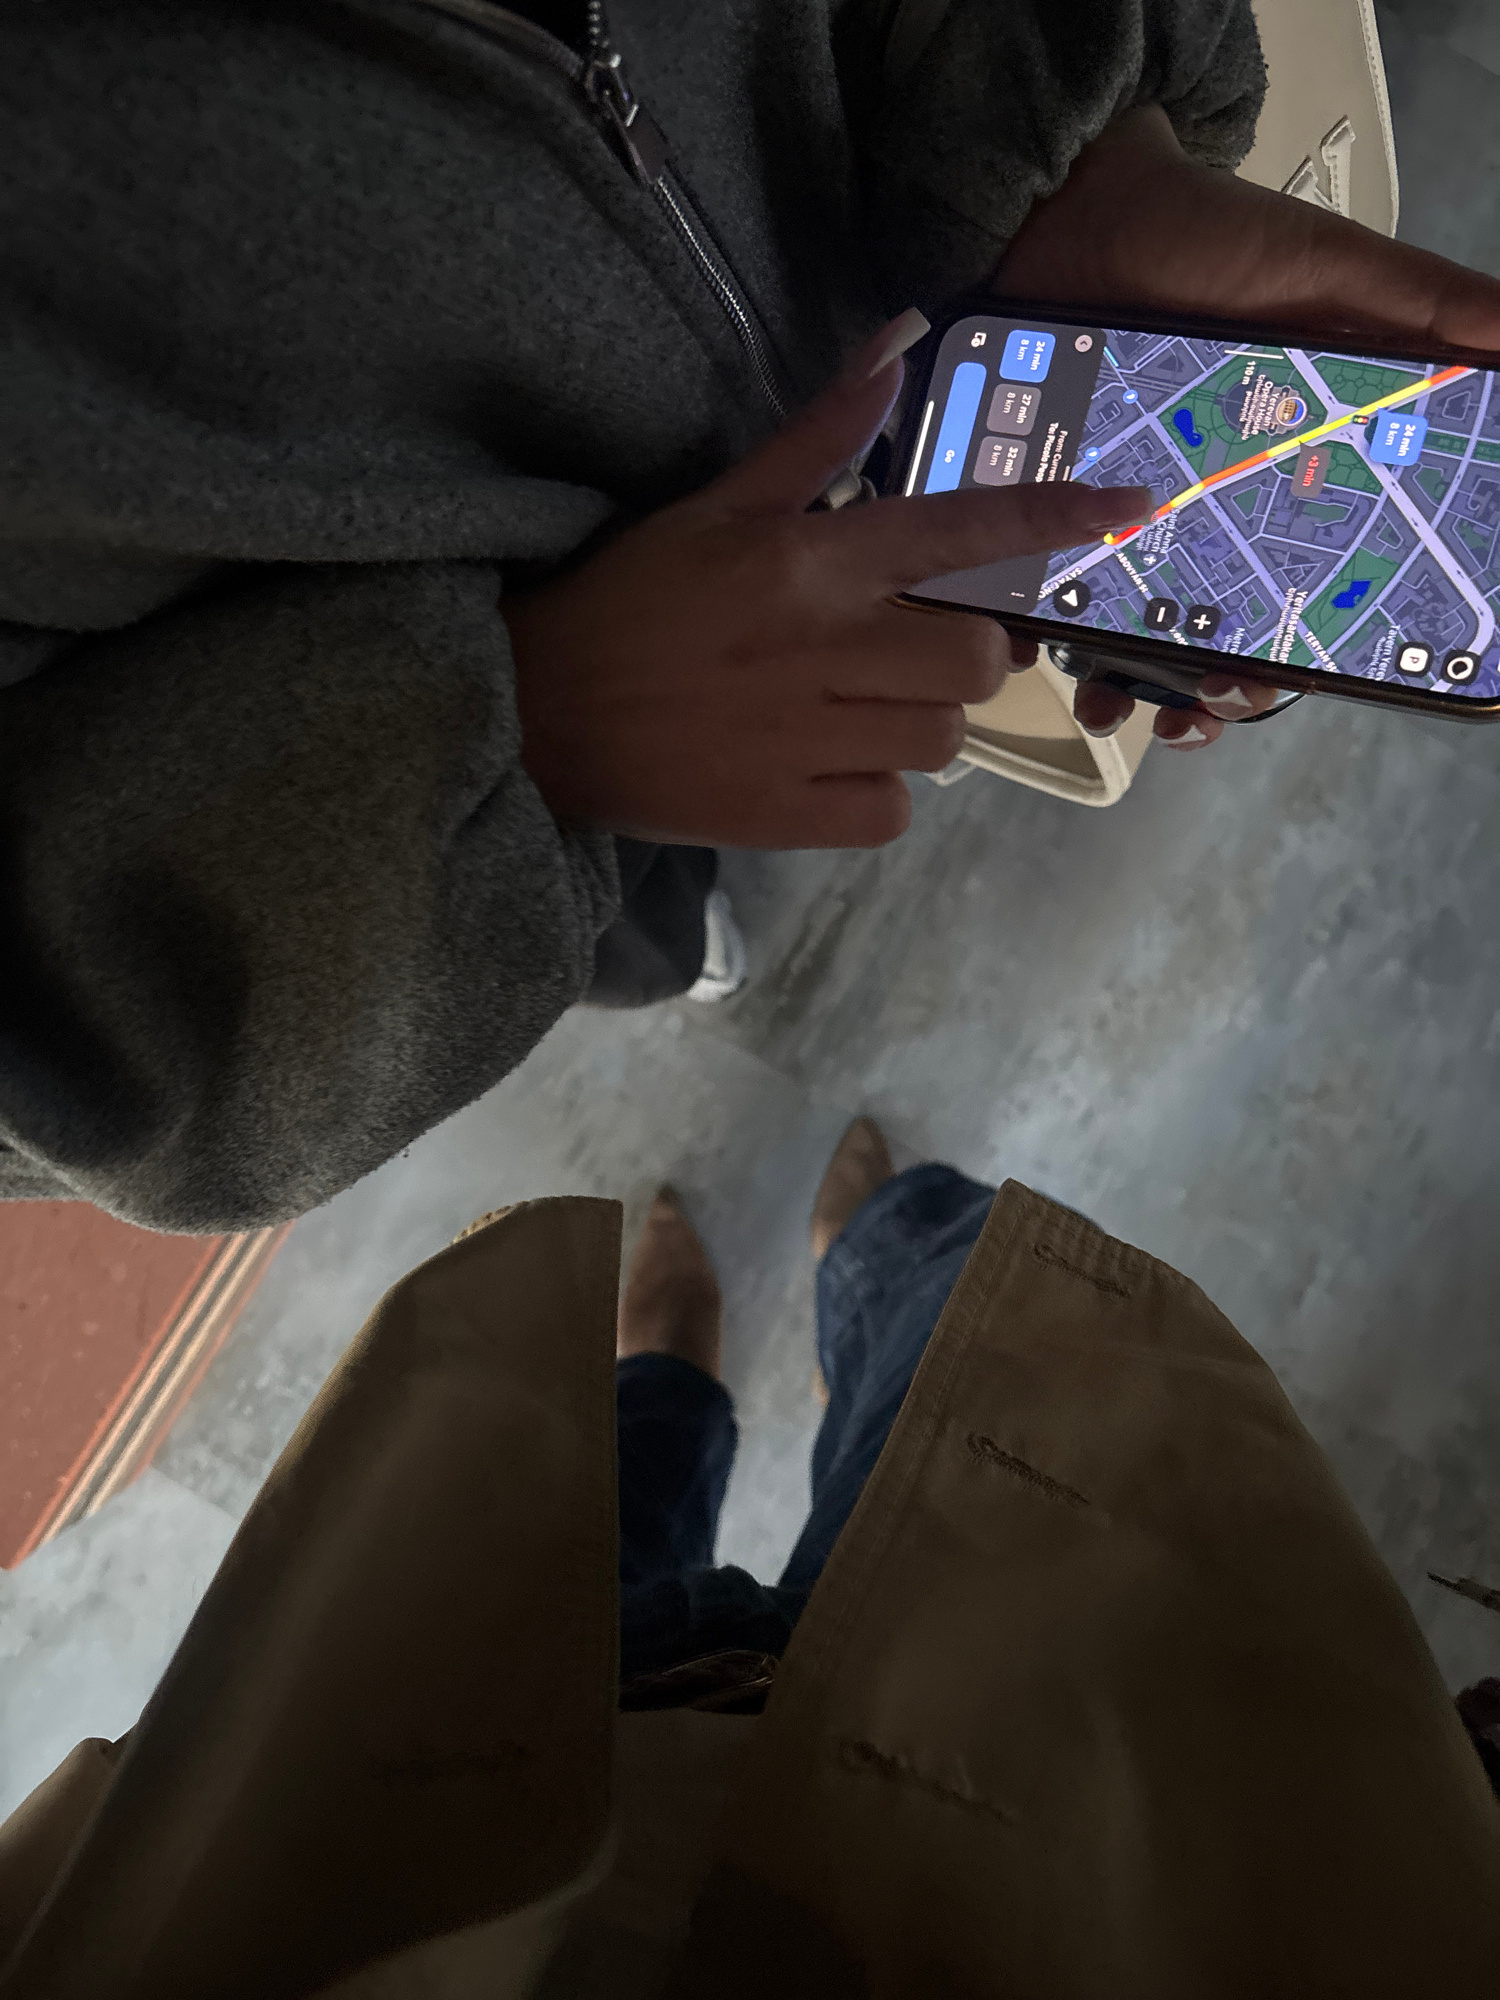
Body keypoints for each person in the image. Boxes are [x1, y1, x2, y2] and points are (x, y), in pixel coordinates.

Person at [5, 1, 1500, 1235]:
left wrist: (1061, 143)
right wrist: (527, 734)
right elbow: (59, 1064)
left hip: (830, 399)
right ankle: (674, 944)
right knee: (637, 910)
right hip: (470, 765)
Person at [3, 1129, 1497, 1995]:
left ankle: (682, 1358)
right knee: (977, 1311)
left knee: (593, 1497)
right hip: (1045, 1788)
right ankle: (866, 1272)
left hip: (465, 1784)